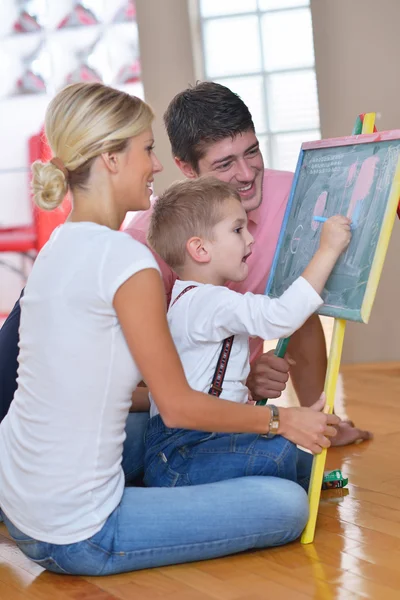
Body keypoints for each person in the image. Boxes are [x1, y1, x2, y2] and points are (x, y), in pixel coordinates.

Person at [0, 82, 341, 576]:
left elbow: (102, 389)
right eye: (147, 149)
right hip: (80, 533)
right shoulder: (128, 260)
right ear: (111, 159)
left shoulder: (59, 245)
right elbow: (178, 406)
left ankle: (172, 489)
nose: (156, 164)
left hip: (21, 500)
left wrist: (240, 385)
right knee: (287, 504)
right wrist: (280, 421)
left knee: (163, 433)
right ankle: (173, 493)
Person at [124, 81, 372, 446]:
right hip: (176, 408)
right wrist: (231, 390)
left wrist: (251, 382)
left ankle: (322, 417)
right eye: (225, 163)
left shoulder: (294, 194)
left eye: (252, 152)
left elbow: (297, 307)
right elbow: (135, 377)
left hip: (236, 386)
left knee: (298, 298)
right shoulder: (147, 242)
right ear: (185, 167)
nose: (245, 173)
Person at [143, 177, 351, 489]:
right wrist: (328, 249)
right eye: (238, 229)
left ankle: (296, 483)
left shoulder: (198, 299)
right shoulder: (206, 302)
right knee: (280, 454)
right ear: (200, 249)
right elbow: (281, 317)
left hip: (204, 440)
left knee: (298, 459)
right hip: (183, 451)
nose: (251, 239)